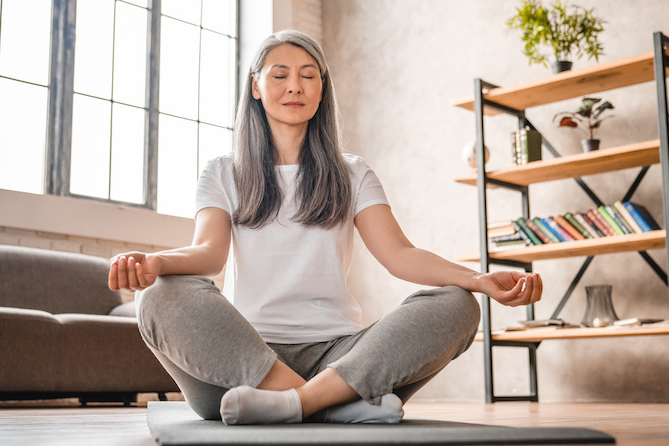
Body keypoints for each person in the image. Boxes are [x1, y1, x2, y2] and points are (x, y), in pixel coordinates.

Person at [108, 30, 542, 425]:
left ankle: (300, 402)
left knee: (459, 305)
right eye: (279, 75)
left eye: (308, 75)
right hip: (239, 361)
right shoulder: (223, 171)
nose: (294, 85)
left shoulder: (352, 173)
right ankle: (330, 403)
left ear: (321, 90)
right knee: (159, 294)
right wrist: (155, 262)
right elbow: (208, 254)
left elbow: (400, 256)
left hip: (339, 356)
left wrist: (477, 280)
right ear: (256, 87)